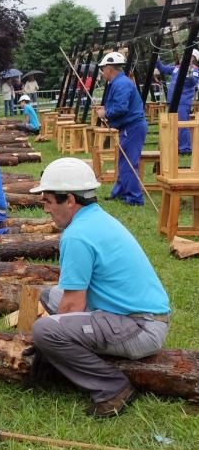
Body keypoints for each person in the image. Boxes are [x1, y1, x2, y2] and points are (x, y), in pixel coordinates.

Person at [29, 158, 170, 417]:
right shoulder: (95, 219)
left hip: (140, 327)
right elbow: (69, 298)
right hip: (142, 317)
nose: (45, 208)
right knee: (50, 295)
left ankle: (112, 388)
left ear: (69, 200)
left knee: (45, 331)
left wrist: (48, 347)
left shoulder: (77, 236)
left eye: (47, 201)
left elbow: (72, 307)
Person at [95, 52, 147, 206]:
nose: (102, 73)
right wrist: (106, 110)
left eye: (103, 69)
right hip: (129, 126)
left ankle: (134, 198)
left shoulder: (121, 83)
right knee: (124, 162)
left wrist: (106, 112)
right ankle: (120, 192)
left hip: (132, 127)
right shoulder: (118, 83)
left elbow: (121, 108)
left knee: (129, 162)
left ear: (109, 68)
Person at [155, 49, 198, 153]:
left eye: (189, 56)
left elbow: (193, 82)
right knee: (172, 125)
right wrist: (157, 60)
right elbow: (163, 69)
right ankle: (176, 146)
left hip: (182, 102)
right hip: (172, 101)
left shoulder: (195, 70)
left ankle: (185, 149)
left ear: (194, 59)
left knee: (182, 124)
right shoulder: (176, 68)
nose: (185, 57)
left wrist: (189, 74)